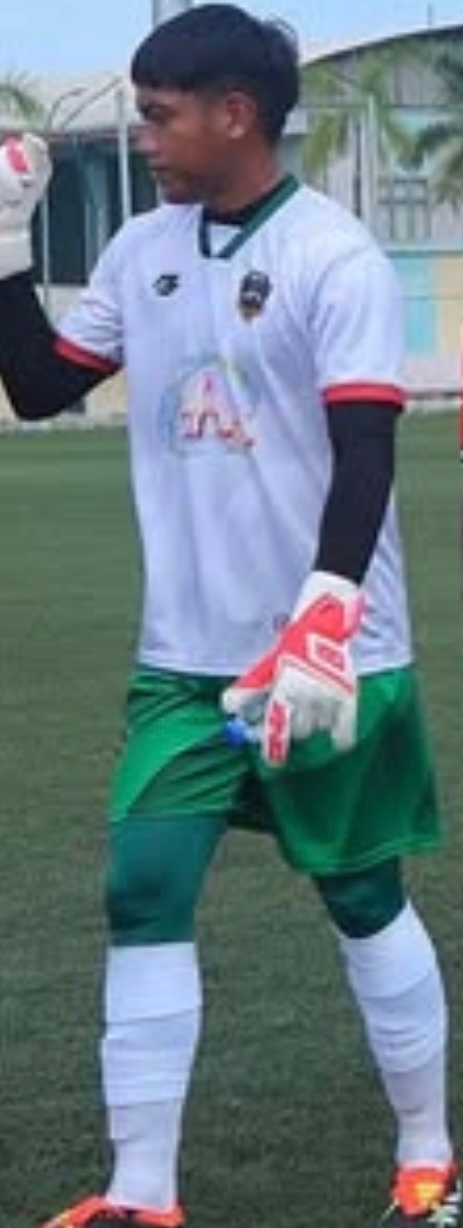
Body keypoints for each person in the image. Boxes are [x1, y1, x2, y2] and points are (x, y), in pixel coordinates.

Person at [0, 7, 459, 1228]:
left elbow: (366, 452)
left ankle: (429, 1154)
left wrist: (322, 620)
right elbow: (38, 388)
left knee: (361, 895)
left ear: (234, 115)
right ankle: (141, 1192)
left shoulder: (333, 256)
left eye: (160, 117)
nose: (146, 138)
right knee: (142, 887)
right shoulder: (141, 250)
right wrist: (4, 251)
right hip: (183, 661)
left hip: (333, 652)